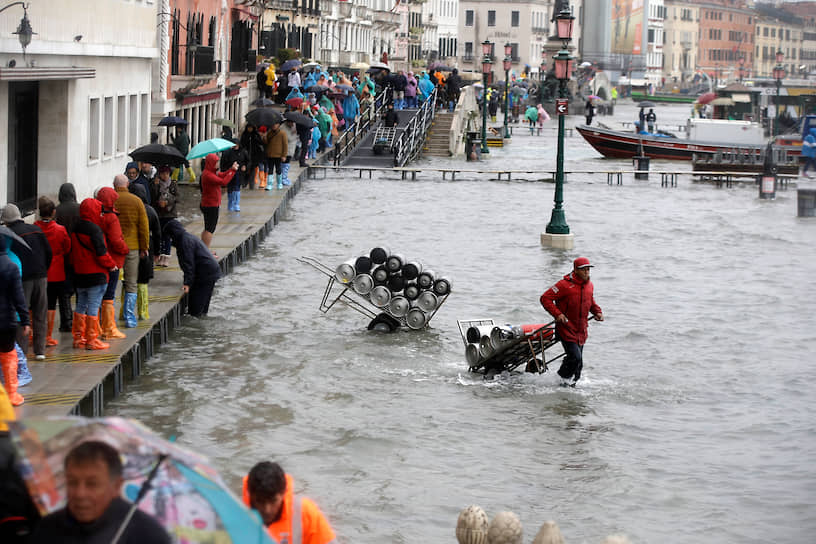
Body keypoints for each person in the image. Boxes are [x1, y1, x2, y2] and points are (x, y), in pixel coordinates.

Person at [30, 440, 171, 543]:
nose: (80, 494)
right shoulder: (47, 529)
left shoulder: (149, 535)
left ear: (116, 486)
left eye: (92, 484)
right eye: (72, 482)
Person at [539, 257, 603, 387]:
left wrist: (597, 312)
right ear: (575, 270)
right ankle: (560, 382)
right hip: (566, 329)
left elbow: (590, 301)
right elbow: (545, 298)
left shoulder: (589, 285)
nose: (587, 272)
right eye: (584, 269)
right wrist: (558, 314)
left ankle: (570, 388)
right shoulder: (563, 285)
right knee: (575, 358)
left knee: (578, 364)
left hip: (581, 330)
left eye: (588, 269)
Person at [1, 204, 51, 361]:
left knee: (21, 316)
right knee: (40, 313)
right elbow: (48, 252)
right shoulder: (36, 229)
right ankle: (40, 350)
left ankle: (21, 352)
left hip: (24, 279)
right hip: (41, 276)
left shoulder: (10, 235)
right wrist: (44, 269)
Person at [242, 461, 336, 544]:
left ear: (284, 492)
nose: (267, 510)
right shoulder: (235, 513)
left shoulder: (305, 513)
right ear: (250, 494)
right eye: (260, 501)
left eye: (274, 501)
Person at [70, 199, 118, 351]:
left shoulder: (75, 227)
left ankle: (78, 338)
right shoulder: (95, 230)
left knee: (80, 305)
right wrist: (112, 265)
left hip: (79, 273)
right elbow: (101, 253)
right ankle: (92, 339)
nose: (101, 214)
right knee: (93, 306)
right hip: (96, 274)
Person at [162, 220, 221, 317]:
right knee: (203, 306)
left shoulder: (184, 242)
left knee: (195, 310)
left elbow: (189, 265)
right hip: (211, 271)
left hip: (205, 274)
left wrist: (187, 284)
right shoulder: (188, 237)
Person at [112, 175, 149, 329]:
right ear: (127, 184)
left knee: (112, 284)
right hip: (133, 247)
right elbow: (143, 227)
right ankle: (129, 318)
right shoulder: (137, 201)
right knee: (131, 283)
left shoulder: (111, 200)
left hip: (114, 248)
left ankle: (108, 319)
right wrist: (144, 247)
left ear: (114, 185)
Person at [34, 196, 71, 348]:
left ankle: (36, 334)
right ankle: (48, 336)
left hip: (40, 269)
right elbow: (67, 247)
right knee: (52, 304)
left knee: (39, 303)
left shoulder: (35, 228)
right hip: (57, 269)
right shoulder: (60, 229)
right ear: (54, 212)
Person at [0, 229, 30, 406]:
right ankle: (11, 393)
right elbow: (19, 297)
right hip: (6, 321)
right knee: (9, 355)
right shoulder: (11, 266)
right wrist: (25, 320)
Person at [94, 187, 129, 340]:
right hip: (113, 259)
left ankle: (97, 327)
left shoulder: (96, 216)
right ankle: (109, 327)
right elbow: (116, 240)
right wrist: (125, 249)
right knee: (109, 294)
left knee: (97, 295)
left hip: (99, 259)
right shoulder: (111, 218)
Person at [128, 184, 160, 321]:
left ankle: (125, 313)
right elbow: (158, 232)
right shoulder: (151, 211)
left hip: (130, 246)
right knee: (143, 280)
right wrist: (158, 251)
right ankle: (143, 312)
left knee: (127, 281)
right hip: (146, 248)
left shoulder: (128, 209)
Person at [55, 183, 80, 332]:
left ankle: (66, 321)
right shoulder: (79, 209)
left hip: (63, 255)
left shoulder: (57, 211)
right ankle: (79, 320)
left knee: (64, 291)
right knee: (80, 290)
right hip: (77, 253)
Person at [199, 153, 237, 249]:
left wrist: (231, 169)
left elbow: (223, 175)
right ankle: (206, 251)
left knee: (207, 228)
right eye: (216, 162)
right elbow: (223, 182)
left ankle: (204, 248)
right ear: (210, 163)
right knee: (210, 229)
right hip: (210, 205)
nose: (217, 164)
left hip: (209, 203)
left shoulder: (211, 172)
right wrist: (232, 171)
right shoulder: (208, 175)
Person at [150, 166, 179, 267]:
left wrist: (167, 202)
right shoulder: (156, 184)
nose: (165, 176)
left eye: (166, 173)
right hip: (159, 213)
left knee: (167, 236)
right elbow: (153, 197)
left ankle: (166, 256)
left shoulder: (173, 184)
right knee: (159, 235)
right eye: (162, 174)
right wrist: (155, 186)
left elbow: (177, 198)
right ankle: (160, 255)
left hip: (169, 213)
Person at [221, 138, 248, 211]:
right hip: (229, 173)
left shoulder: (243, 152)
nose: (235, 146)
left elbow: (247, 161)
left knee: (236, 188)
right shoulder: (227, 152)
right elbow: (223, 164)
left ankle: (236, 204)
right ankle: (230, 204)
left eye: (236, 145)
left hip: (239, 173)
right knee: (230, 188)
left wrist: (244, 166)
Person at [263, 121, 288, 191]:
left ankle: (279, 183)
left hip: (278, 155)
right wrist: (264, 137)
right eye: (273, 124)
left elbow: (285, 145)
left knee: (278, 169)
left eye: (276, 124)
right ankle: (269, 184)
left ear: (278, 125)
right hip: (270, 154)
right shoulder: (269, 133)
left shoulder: (282, 133)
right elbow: (266, 142)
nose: (274, 126)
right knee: (270, 169)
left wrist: (284, 155)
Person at [240, 123, 265, 190]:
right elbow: (242, 144)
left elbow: (260, 143)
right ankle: (244, 182)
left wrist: (256, 139)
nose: (250, 129)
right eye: (249, 128)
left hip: (254, 156)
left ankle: (251, 184)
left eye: (251, 128)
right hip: (246, 156)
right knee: (246, 170)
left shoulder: (256, 135)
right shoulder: (244, 135)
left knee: (252, 170)